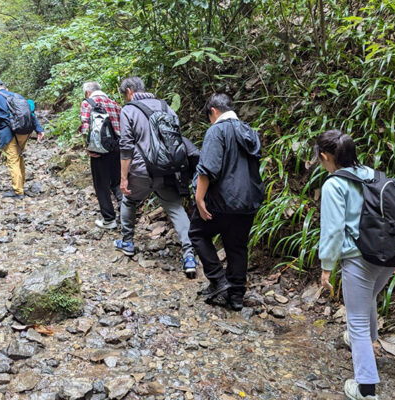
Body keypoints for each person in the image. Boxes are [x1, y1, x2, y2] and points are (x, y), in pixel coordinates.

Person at [317, 129, 392, 400]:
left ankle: (366, 389)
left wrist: (327, 266)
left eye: (321, 159)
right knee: (369, 297)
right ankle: (366, 341)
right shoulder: (372, 174)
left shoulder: (334, 184)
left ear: (325, 156)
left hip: (359, 259)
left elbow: (334, 230)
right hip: (386, 256)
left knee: (356, 321)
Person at [115, 76, 198, 278]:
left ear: (129, 92)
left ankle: (127, 242)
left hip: (142, 171)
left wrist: (124, 177)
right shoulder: (165, 106)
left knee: (129, 199)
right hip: (170, 169)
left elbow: (126, 146)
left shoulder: (129, 109)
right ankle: (189, 257)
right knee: (176, 209)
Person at [189, 93, 264, 311]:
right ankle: (236, 295)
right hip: (248, 201)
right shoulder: (250, 131)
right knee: (237, 246)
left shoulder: (217, 131)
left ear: (213, 111)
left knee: (197, 233)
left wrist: (199, 198)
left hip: (221, 200)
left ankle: (218, 279)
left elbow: (207, 169)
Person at [0, 80, 44, 200]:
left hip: (9, 133)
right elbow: (31, 114)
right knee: (19, 155)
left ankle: (18, 192)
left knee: (13, 159)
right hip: (26, 131)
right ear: (5, 88)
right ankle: (21, 184)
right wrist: (39, 129)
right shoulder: (17, 96)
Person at [80, 81, 122, 229]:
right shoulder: (114, 103)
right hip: (117, 148)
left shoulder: (88, 102)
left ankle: (109, 220)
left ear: (87, 92)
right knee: (117, 182)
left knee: (101, 185)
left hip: (99, 150)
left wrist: (89, 148)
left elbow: (86, 126)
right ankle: (126, 216)